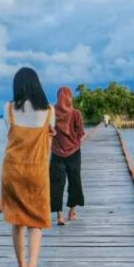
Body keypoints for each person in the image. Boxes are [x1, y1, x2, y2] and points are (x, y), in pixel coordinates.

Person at [1, 67, 54, 267]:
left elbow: (10, 132)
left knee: (17, 219)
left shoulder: (8, 109)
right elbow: (49, 138)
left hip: (12, 170)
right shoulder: (49, 111)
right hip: (36, 170)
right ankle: (32, 266)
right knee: (36, 222)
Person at [51, 86, 87, 225]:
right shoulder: (76, 113)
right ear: (70, 97)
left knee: (56, 184)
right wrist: (75, 141)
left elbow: (47, 130)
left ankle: (59, 216)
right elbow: (81, 134)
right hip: (74, 152)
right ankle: (71, 212)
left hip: (56, 153)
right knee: (75, 181)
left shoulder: (51, 113)